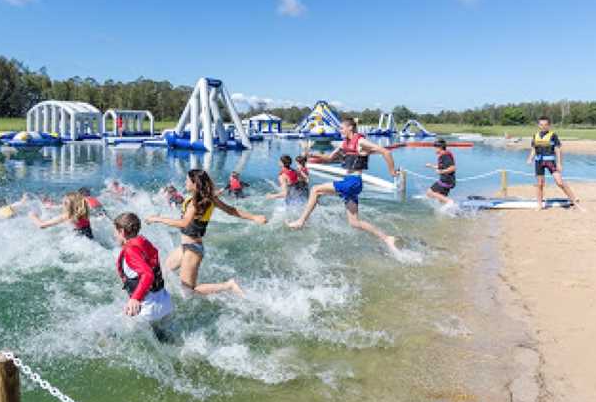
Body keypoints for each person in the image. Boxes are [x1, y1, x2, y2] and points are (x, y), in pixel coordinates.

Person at [145, 169, 266, 296]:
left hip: (192, 249)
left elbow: (184, 223)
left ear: (195, 184)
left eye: (187, 180)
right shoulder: (208, 199)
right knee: (163, 271)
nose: (185, 182)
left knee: (188, 291)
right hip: (185, 247)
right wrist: (253, 217)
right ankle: (155, 297)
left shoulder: (196, 202)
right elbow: (230, 210)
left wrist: (157, 219)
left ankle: (228, 285)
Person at [287, 117, 399, 251]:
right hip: (349, 181)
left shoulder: (360, 141)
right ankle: (387, 238)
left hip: (353, 181)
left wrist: (392, 171)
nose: (340, 130)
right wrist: (310, 154)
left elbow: (385, 151)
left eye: (341, 128)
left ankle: (301, 221)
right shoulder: (344, 143)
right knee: (354, 222)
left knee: (316, 190)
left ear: (350, 128)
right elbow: (329, 158)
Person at [113, 212, 173, 323]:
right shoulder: (144, 242)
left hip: (149, 309)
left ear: (121, 231)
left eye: (115, 232)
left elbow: (148, 274)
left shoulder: (131, 251)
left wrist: (135, 298)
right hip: (165, 302)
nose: (114, 235)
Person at [526, 116, 580, 210]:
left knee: (559, 182)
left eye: (545, 125)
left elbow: (558, 150)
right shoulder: (535, 136)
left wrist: (559, 163)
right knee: (540, 184)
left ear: (549, 125)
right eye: (541, 125)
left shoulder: (553, 135)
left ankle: (574, 199)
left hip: (550, 162)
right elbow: (534, 149)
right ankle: (539, 205)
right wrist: (530, 158)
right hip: (539, 162)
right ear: (538, 125)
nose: (543, 126)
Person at [30, 192, 94, 239]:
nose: (62, 204)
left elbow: (42, 225)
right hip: (89, 239)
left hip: (76, 242)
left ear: (66, 205)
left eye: (63, 203)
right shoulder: (84, 214)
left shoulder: (67, 216)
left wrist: (33, 216)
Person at [424, 139, 456, 205]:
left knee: (429, 192)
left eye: (435, 148)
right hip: (447, 180)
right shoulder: (443, 155)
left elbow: (453, 168)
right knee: (441, 200)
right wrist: (431, 166)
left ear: (440, 148)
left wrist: (441, 172)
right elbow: (442, 167)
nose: (434, 149)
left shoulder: (445, 156)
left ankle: (449, 202)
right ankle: (449, 211)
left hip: (446, 181)